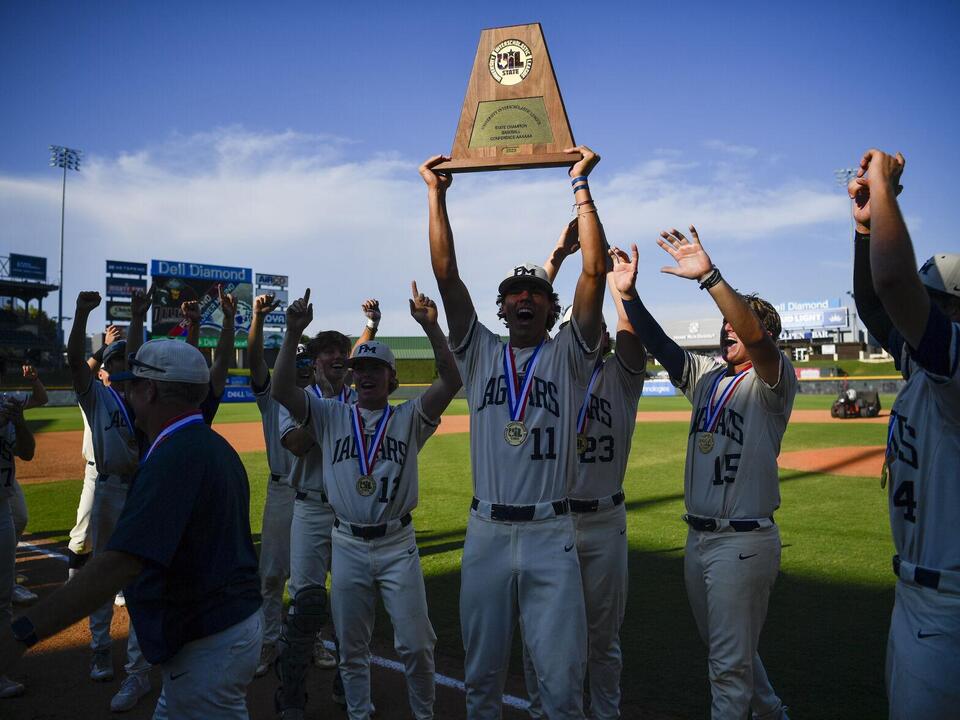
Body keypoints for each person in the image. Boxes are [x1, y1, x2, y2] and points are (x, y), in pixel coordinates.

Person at [421, 146, 607, 719]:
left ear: (551, 309)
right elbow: (447, 276)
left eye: (535, 293)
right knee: (480, 680)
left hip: (552, 533)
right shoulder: (479, 352)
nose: (523, 297)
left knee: (559, 682)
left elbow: (594, 272)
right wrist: (436, 194)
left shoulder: (569, 355)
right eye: (513, 293)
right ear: (502, 308)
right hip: (486, 532)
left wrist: (580, 186)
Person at [0, 338, 263, 719]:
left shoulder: (176, 456)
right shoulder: (206, 444)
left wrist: (22, 633)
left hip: (209, 640)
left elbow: (117, 565)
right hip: (220, 627)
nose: (126, 392)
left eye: (133, 384)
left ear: (150, 390)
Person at [609, 228, 794, 720]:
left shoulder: (773, 379)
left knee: (727, 668)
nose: (729, 331)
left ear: (763, 334)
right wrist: (629, 296)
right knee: (732, 653)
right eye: (727, 327)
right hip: (699, 541)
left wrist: (710, 278)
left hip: (744, 541)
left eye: (740, 326)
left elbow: (754, 336)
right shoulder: (707, 377)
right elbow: (663, 347)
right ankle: (773, 713)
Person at [272, 282, 460, 720]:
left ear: (393, 379)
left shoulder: (409, 417)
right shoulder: (331, 414)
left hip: (398, 546)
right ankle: (358, 713)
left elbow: (451, 379)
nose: (366, 374)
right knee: (352, 648)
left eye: (376, 368)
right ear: (352, 376)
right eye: (360, 369)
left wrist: (432, 328)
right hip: (348, 544)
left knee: (416, 643)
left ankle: (424, 713)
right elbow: (282, 390)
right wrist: (292, 333)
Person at [849, 148, 960, 718]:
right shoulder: (923, 361)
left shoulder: (955, 368)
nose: (920, 314)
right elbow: (874, 304)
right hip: (917, 598)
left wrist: (886, 191)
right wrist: (864, 226)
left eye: (933, 303)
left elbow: (892, 284)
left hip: (948, 605)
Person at [523, 221, 647, 720]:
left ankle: (606, 713)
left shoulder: (623, 374)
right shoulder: (550, 365)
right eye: (582, 325)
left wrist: (621, 292)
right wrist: (556, 257)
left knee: (603, 638)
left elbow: (633, 342)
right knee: (543, 633)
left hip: (603, 522)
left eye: (595, 327)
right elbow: (531, 315)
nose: (589, 333)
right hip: (551, 520)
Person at [272, 301, 379, 713]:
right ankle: (291, 691)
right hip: (312, 510)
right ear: (315, 363)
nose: (337, 357)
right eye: (329, 353)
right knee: (307, 604)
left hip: (350, 511)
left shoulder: (359, 399)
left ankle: (347, 684)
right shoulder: (301, 399)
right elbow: (295, 445)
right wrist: (327, 416)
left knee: (354, 603)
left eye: (342, 352)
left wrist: (372, 327)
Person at [66, 292, 153, 711]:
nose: (121, 363)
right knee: (103, 574)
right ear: (106, 366)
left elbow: (136, 354)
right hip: (107, 490)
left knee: (139, 580)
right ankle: (101, 647)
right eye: (114, 359)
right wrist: (82, 315)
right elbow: (73, 364)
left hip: (140, 490)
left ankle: (138, 669)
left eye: (125, 359)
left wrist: (138, 318)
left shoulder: (142, 397)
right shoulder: (96, 398)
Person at [65, 325, 124, 581]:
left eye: (121, 363)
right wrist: (103, 348)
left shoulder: (132, 396)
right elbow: (79, 368)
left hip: (125, 475)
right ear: (101, 373)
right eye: (112, 365)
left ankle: (118, 586)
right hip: (95, 473)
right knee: (82, 535)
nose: (117, 369)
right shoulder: (92, 396)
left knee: (122, 533)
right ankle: (73, 583)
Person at [0, 392, 35, 698]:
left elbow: (28, 452)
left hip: (2, 508)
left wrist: (19, 422)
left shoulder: (6, 407)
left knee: (2, 598)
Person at [10, 364, 47, 607]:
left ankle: (7, 576)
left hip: (6, 477)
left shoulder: (6, 401)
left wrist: (34, 379)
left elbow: (41, 398)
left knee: (20, 518)